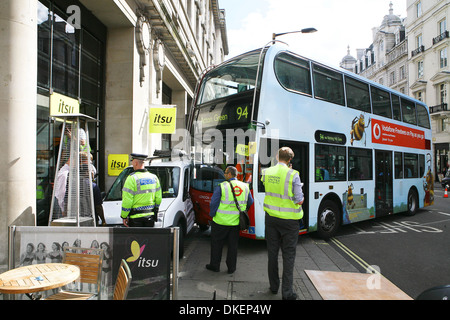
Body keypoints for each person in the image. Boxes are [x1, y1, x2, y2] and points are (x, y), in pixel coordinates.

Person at [261, 147, 304, 300]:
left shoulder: (266, 172)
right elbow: (299, 200)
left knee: (272, 253)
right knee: (288, 256)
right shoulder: (293, 175)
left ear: (276, 156)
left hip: (271, 218)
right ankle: (287, 293)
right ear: (290, 160)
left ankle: (273, 287)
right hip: (290, 221)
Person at [206, 166, 253, 274]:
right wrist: (242, 210)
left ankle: (215, 266)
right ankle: (231, 268)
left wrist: (212, 215)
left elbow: (213, 203)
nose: (224, 174)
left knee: (216, 245)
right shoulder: (245, 186)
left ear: (230, 174)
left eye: (225, 173)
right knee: (233, 246)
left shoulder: (222, 186)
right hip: (235, 223)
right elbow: (250, 202)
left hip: (220, 222)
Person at [121, 153, 162, 227]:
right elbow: (158, 198)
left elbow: (127, 201)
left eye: (132, 162)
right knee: (148, 238)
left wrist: (124, 216)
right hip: (150, 216)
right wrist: (155, 209)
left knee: (136, 238)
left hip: (135, 218)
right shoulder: (154, 177)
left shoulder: (131, 178)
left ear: (135, 163)